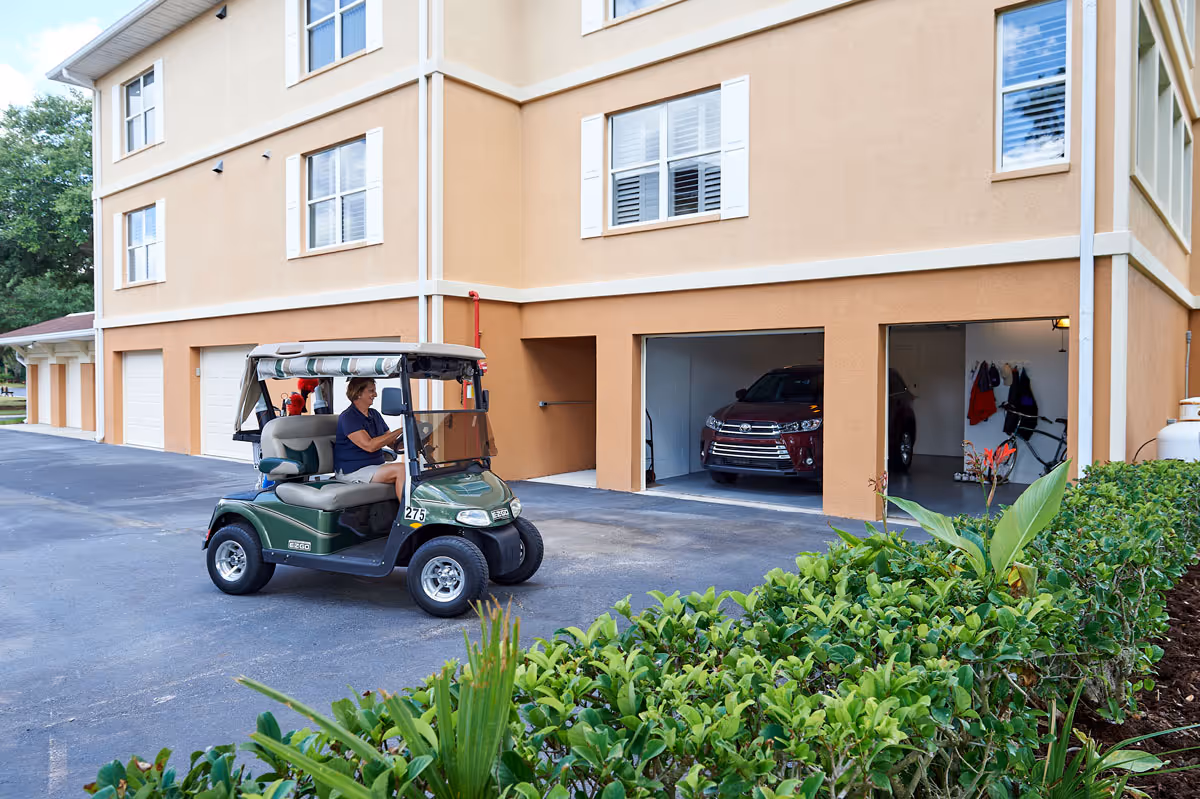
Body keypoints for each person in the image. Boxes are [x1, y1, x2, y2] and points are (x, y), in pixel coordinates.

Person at [333, 377, 406, 501]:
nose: (375, 394)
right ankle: (405, 516)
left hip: (375, 467)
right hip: (353, 471)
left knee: (413, 469)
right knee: (402, 469)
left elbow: (393, 444)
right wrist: (401, 429)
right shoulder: (349, 417)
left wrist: (417, 438)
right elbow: (370, 446)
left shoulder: (374, 414)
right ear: (358, 393)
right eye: (371, 391)